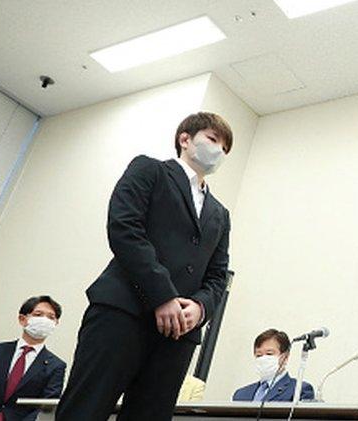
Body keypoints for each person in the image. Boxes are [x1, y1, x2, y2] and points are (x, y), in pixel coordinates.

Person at [55, 113, 234, 421]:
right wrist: (162, 295)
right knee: (86, 408)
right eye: (213, 139)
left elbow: (218, 275)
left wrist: (201, 308)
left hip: (179, 334)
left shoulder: (221, 213)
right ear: (185, 139)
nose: (219, 151)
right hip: (124, 312)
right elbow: (124, 229)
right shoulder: (149, 169)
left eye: (226, 148)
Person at [0, 296, 66, 421]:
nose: (44, 320)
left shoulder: (56, 366)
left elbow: (46, 407)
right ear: (22, 319)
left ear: (56, 323)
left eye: (51, 317)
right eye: (38, 314)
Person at [233, 329, 315, 403]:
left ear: (285, 357)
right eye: (259, 355)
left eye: (269, 354)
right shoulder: (240, 395)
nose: (263, 359)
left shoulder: (299, 389)